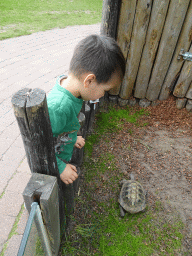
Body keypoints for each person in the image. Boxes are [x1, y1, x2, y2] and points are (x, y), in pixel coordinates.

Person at [47, 34, 126, 185]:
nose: (103, 95)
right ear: (89, 81)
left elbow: (64, 125)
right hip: (53, 166)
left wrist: (71, 137)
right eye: (105, 89)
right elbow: (41, 146)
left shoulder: (72, 90)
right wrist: (60, 167)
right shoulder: (58, 107)